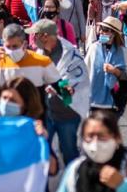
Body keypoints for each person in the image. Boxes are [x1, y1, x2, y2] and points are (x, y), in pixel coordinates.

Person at [28, 19, 89, 165]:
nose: (32, 38)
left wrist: (62, 87)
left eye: (35, 35)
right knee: (43, 153)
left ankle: (73, 184)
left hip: (67, 114)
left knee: (69, 155)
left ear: (45, 36)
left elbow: (79, 81)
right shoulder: (39, 53)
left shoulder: (71, 55)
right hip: (46, 114)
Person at [0, 24, 61, 90]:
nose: (11, 50)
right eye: (8, 47)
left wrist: (66, 89)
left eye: (15, 46)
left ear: (25, 44)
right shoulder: (1, 62)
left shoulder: (42, 61)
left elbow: (60, 87)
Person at [85, 16, 127, 113]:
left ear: (114, 33)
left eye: (104, 30)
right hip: (93, 101)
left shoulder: (122, 52)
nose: (100, 32)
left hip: (113, 103)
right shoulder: (93, 48)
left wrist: (115, 71)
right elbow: (85, 70)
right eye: (100, 28)